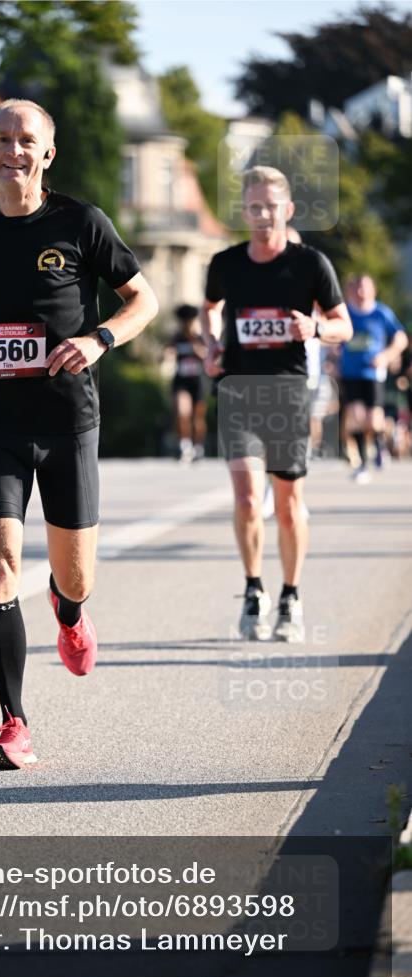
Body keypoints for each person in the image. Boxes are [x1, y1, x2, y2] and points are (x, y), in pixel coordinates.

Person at [0, 99, 158, 769]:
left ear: (46, 154)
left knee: (73, 575)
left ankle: (69, 610)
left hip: (66, 421)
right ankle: (13, 723)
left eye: (26, 138)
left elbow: (140, 299)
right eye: (1, 138)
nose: (13, 148)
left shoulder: (81, 223)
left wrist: (100, 338)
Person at [202, 166, 352, 643]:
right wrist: (210, 344)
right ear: (244, 211)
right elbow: (210, 307)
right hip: (238, 389)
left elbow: (342, 323)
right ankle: (253, 590)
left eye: (271, 207)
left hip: (288, 392)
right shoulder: (225, 263)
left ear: (286, 210)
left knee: (288, 505)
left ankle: (291, 594)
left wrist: (317, 329)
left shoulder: (310, 264)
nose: (263, 215)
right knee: (247, 497)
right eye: (254, 207)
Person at [340, 274, 408, 484]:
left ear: (373, 290)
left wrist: (386, 356)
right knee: (357, 416)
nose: (360, 292)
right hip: (350, 373)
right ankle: (362, 464)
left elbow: (400, 338)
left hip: (373, 373)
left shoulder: (381, 312)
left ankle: (378, 444)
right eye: (357, 288)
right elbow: (333, 336)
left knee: (374, 417)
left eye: (364, 288)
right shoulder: (346, 312)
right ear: (350, 291)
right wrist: (332, 358)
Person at [165, 304, 207, 461]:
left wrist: (199, 352)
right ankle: (185, 445)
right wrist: (168, 354)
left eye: (189, 321)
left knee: (197, 417)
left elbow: (210, 357)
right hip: (181, 380)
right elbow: (165, 353)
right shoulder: (176, 339)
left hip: (198, 381)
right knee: (183, 413)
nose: (186, 324)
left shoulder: (200, 338)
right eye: (184, 321)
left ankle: (198, 446)